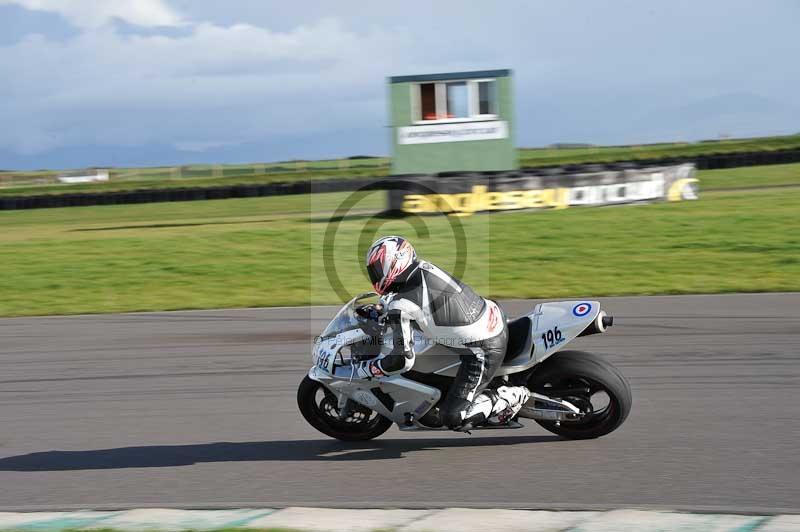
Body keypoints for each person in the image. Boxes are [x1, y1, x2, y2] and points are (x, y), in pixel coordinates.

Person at [355, 235, 530, 429]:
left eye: (376, 270)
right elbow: (413, 301)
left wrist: (369, 368)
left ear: (393, 264)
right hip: (489, 313)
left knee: (453, 417)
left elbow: (400, 360)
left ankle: (511, 394)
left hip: (484, 348)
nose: (374, 275)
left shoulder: (401, 305)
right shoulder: (422, 267)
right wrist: (383, 310)